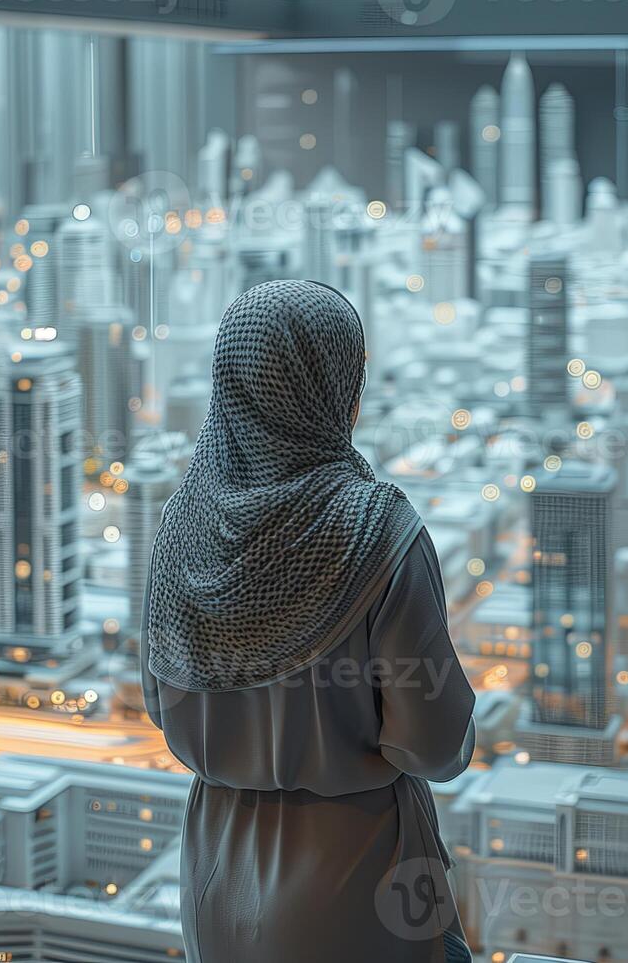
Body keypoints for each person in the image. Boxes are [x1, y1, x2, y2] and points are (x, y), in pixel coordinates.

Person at [142, 279, 477, 963]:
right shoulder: (378, 530)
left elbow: (161, 701)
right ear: (338, 389)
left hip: (213, 878)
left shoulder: (181, 523)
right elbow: (433, 744)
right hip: (360, 880)